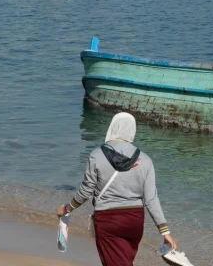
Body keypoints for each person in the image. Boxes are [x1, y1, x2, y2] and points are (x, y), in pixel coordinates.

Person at [57, 112, 176, 266]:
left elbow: (86, 191)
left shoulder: (96, 156)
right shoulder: (146, 160)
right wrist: (165, 232)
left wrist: (67, 208)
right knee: (124, 261)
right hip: (134, 221)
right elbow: (151, 199)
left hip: (108, 220)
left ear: (112, 128)